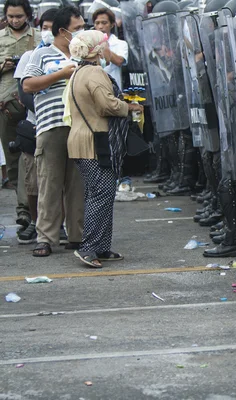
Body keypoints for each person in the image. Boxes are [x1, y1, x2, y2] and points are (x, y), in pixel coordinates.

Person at [66, 30, 143, 268]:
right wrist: (128, 106)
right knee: (101, 195)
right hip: (94, 142)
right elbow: (106, 105)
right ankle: (88, 248)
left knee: (100, 194)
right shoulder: (95, 72)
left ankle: (101, 247)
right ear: (98, 50)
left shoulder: (78, 71)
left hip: (82, 139)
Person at [22, 5, 85, 257]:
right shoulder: (41, 54)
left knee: (77, 186)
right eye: (77, 28)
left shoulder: (85, 54)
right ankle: (46, 238)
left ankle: (77, 237)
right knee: (50, 183)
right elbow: (28, 85)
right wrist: (61, 73)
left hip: (80, 127)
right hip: (51, 126)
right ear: (62, 30)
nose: (82, 32)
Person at [13, 7, 58, 245]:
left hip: (59, 125)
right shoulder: (31, 56)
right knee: (33, 182)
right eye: (44, 28)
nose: (47, 33)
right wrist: (43, 110)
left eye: (52, 28)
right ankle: (34, 221)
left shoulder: (67, 57)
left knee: (58, 180)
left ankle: (57, 224)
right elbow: (24, 92)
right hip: (35, 125)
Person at [0, 0, 40, 230]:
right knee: (14, 162)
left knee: (34, 160)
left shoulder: (37, 37)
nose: (15, 20)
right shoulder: (1, 38)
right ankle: (23, 210)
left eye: (19, 16)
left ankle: (36, 212)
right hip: (6, 108)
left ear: (28, 15)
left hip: (32, 107)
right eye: (11, 16)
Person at [91, 7, 127, 89]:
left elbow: (119, 61)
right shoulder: (89, 43)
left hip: (113, 89)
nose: (100, 26)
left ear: (112, 24)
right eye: (97, 23)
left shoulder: (120, 44)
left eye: (104, 23)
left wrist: (104, 46)